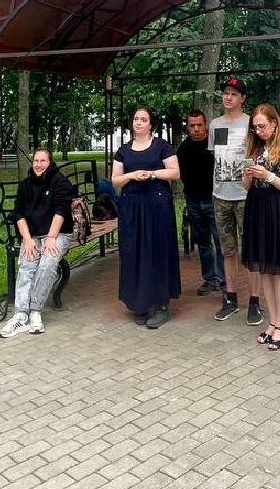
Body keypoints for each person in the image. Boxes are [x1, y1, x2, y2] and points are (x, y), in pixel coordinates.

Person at [240, 104, 280, 349]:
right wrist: (248, 174)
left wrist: (268, 176)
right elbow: (246, 187)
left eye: (262, 126)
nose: (258, 131)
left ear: (274, 123)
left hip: (278, 211)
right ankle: (273, 321)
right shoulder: (255, 150)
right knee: (264, 269)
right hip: (256, 210)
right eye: (255, 128)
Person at [112, 107, 181, 328]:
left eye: (143, 119)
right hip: (131, 207)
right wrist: (132, 175)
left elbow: (175, 172)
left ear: (151, 124)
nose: (139, 122)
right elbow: (115, 180)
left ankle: (161, 306)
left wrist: (151, 174)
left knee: (157, 251)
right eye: (136, 119)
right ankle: (139, 304)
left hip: (157, 206)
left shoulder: (162, 146)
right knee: (134, 252)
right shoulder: (123, 151)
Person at [0, 148, 74, 339]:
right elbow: (19, 214)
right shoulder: (25, 185)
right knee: (27, 264)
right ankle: (20, 315)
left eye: (43, 161)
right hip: (32, 235)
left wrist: (51, 238)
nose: (39, 165)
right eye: (36, 161)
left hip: (57, 233)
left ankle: (35, 311)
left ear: (50, 162)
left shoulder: (60, 182)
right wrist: (27, 239)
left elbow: (61, 212)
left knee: (47, 264)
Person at [210, 77, 262, 325]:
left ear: (243, 98)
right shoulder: (215, 124)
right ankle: (230, 298)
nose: (228, 97)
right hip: (220, 195)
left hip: (245, 195)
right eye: (225, 93)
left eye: (233, 93)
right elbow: (216, 156)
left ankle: (255, 301)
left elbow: (258, 154)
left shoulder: (251, 123)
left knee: (250, 249)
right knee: (227, 250)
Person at [176, 109, 225, 295]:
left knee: (220, 241)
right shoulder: (183, 149)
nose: (196, 129)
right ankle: (210, 279)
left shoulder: (215, 145)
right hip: (194, 201)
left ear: (206, 125)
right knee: (203, 242)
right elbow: (181, 174)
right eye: (192, 125)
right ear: (187, 127)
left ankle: (224, 280)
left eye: (199, 125)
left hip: (215, 200)